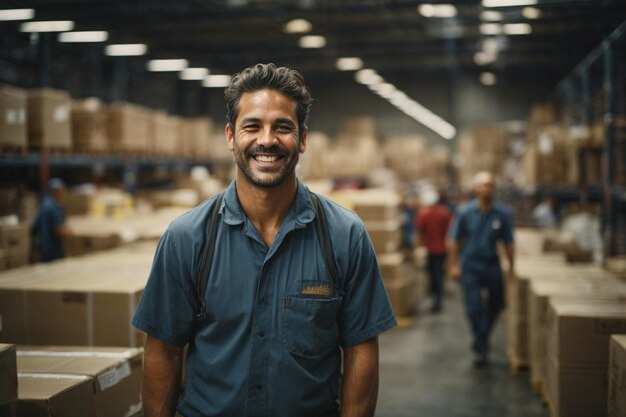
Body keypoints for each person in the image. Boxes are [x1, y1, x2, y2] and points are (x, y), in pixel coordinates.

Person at [132, 63, 397, 417]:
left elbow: (361, 347)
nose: (267, 140)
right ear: (231, 136)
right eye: (252, 126)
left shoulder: (344, 236)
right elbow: (164, 349)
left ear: (302, 139)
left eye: (283, 127)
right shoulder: (187, 239)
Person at [447, 171, 515, 367]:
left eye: (490, 185)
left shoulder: (502, 213)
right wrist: (453, 265)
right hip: (471, 265)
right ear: (476, 188)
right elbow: (454, 240)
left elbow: (509, 242)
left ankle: (482, 338)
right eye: (483, 185)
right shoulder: (465, 212)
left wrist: (511, 267)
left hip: (492, 264)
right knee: (474, 306)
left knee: (498, 304)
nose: (487, 188)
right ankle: (481, 342)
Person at [415, 188, 452, 313]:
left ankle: (436, 298)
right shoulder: (445, 212)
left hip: (430, 249)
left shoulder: (424, 213)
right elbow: (450, 231)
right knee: (439, 273)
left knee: (432, 274)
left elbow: (419, 231)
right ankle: (438, 297)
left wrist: (421, 246)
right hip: (442, 249)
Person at [31, 177, 71, 262]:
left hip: (43, 249)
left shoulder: (43, 206)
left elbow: (33, 226)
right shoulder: (54, 208)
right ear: (54, 191)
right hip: (54, 251)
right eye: (59, 190)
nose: (61, 193)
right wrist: (69, 235)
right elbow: (59, 230)